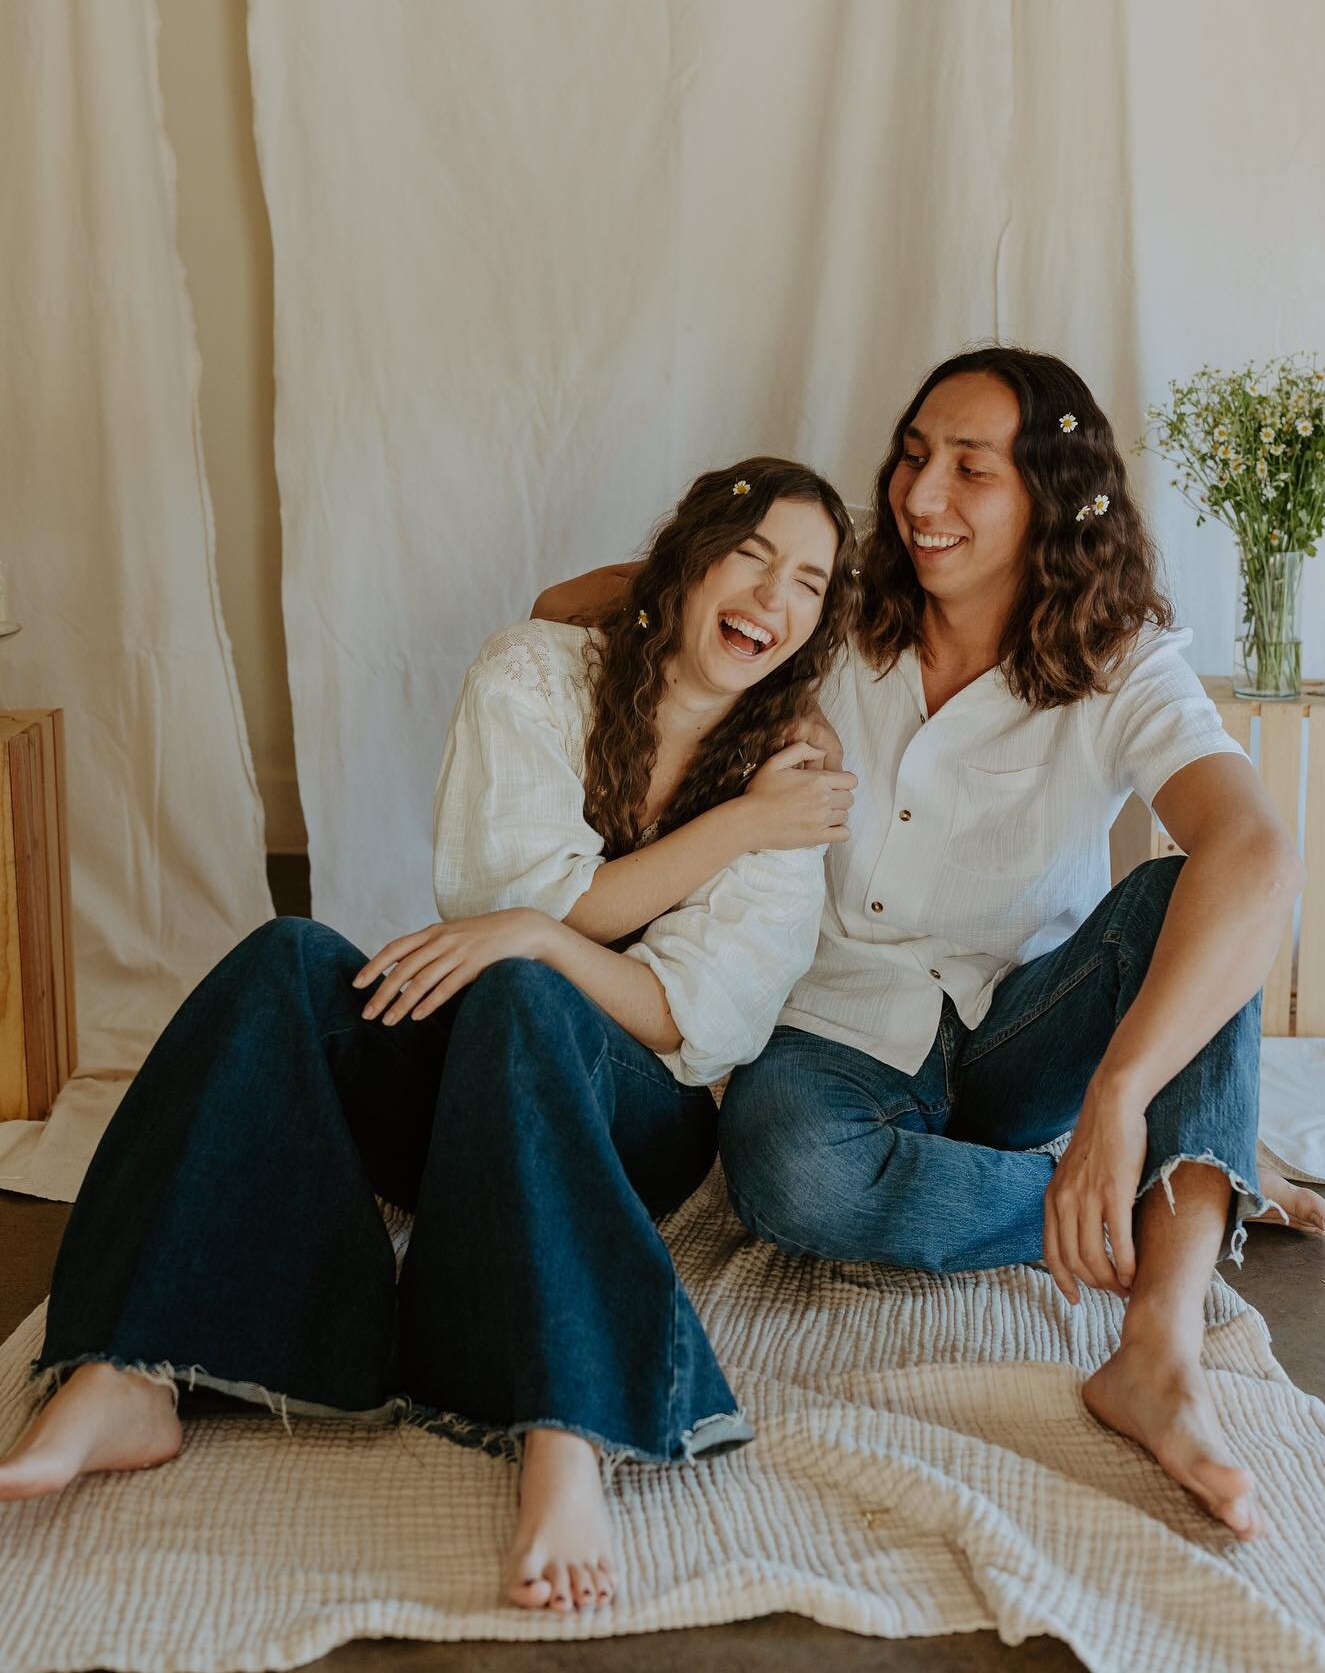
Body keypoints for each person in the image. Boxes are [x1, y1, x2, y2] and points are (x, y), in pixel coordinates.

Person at [0, 458, 860, 1615]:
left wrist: (563, 931)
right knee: (289, 961)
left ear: (814, 627)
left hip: (629, 1118)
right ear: (688, 561)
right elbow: (503, 887)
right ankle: (130, 1371)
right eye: (751, 555)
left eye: (807, 582)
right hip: (472, 1098)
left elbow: (685, 1018)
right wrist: (538, 926)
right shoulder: (538, 673)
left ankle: (566, 1427)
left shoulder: (793, 782)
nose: (772, 594)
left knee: (522, 989)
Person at [536, 347, 1325, 1544]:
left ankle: (1158, 1344)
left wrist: (1118, 1093)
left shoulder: (1121, 660)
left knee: (1201, 893)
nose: (920, 496)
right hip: (831, 1029)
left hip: (1024, 1029)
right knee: (786, 1177)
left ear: (1053, 498)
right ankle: (1196, 1183)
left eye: (971, 468)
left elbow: (1258, 852)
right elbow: (565, 609)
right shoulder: (829, 600)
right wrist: (702, 596)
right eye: (914, 456)